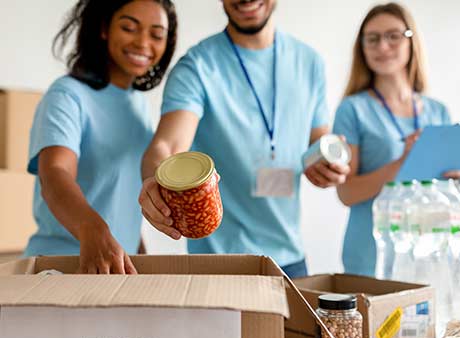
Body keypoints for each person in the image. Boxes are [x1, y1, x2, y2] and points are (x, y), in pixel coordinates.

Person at [138, 0, 349, 278]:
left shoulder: (309, 62)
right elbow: (168, 145)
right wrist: (155, 178)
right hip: (218, 264)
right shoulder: (197, 66)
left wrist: (328, 164)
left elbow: (318, 139)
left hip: (291, 259)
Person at [24, 0, 177, 274]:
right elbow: (55, 173)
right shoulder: (67, 95)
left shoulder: (138, 106)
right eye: (130, 28)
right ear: (104, 28)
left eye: (156, 35)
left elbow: (119, 192)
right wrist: (93, 230)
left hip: (115, 269)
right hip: (61, 267)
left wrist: (137, 250)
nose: (143, 43)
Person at [332, 2, 457, 276]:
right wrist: (401, 163)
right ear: (362, 48)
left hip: (429, 253)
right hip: (370, 256)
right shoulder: (352, 110)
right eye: (373, 39)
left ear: (412, 41)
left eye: (393, 36)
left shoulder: (438, 111)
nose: (383, 46)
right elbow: (346, 192)